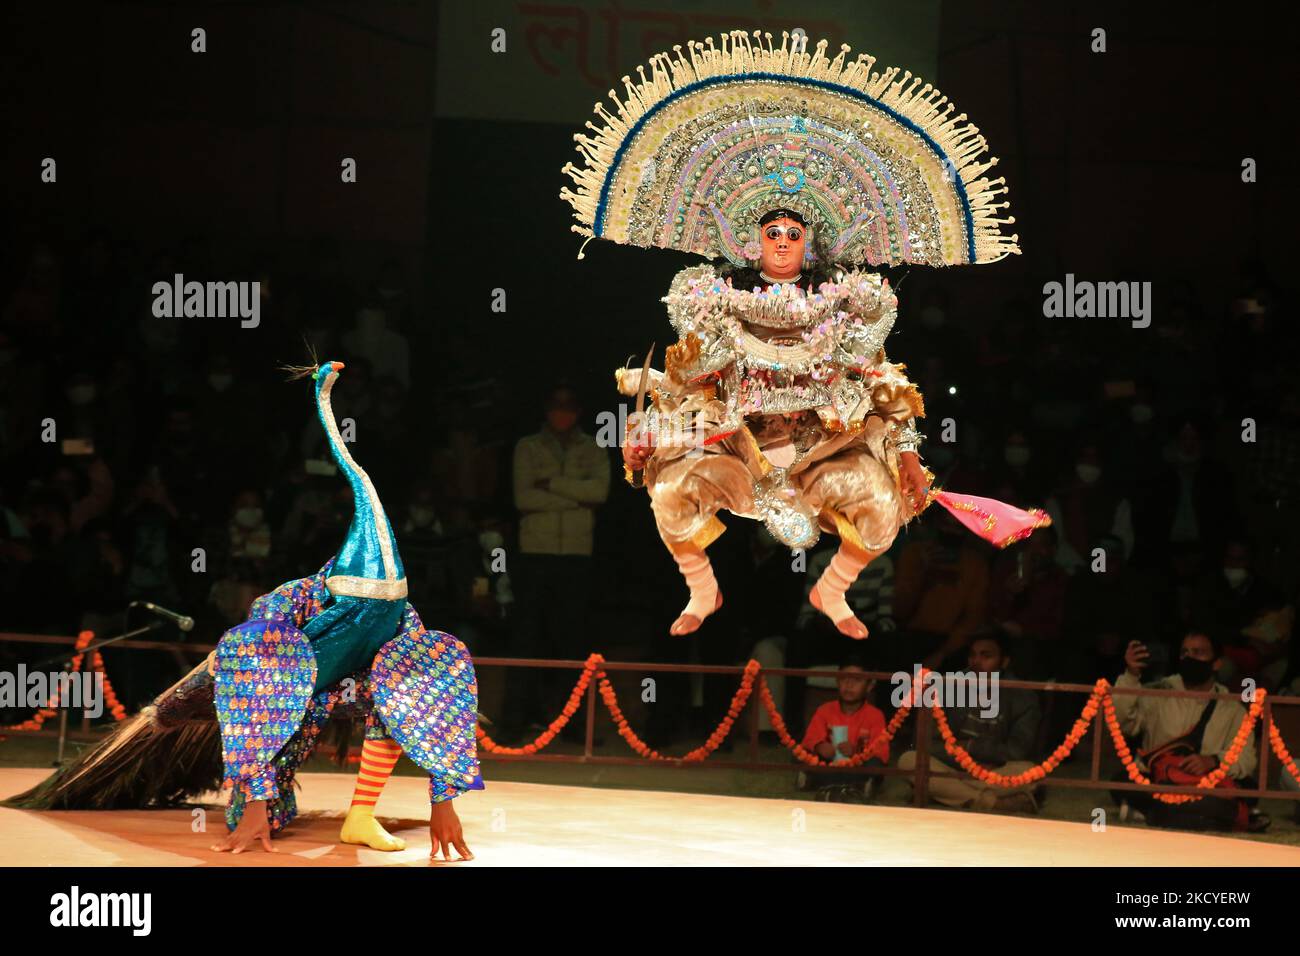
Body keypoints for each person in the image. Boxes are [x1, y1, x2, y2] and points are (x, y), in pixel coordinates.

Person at [563, 30, 1044, 640]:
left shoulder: (844, 303)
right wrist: (653, 438)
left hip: (820, 452)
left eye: (794, 231)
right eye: (774, 231)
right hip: (741, 450)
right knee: (669, 493)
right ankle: (702, 589)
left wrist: (906, 458)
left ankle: (833, 589)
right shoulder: (715, 300)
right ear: (755, 239)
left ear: (808, 240)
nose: (784, 240)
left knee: (884, 510)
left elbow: (882, 387)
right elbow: (690, 384)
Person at [6, 361, 482, 860]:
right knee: (263, 815)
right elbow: (255, 689)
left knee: (401, 688)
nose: (376, 619)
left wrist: (443, 800)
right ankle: (258, 799)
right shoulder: (284, 604)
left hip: (341, 693)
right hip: (277, 703)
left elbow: (427, 700)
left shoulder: (400, 615)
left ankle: (360, 816)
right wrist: (256, 800)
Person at [509, 383, 610, 735]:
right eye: (556, 408)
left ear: (578, 412)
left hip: (577, 556)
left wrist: (550, 482)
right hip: (535, 554)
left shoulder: (594, 447)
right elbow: (523, 499)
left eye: (568, 408)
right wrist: (576, 498)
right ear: (547, 411)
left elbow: (600, 493)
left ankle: (576, 725)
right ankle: (516, 721)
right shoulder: (528, 446)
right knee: (526, 638)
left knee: (574, 640)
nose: (562, 414)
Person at [1110, 631, 1265, 832]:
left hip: (1208, 784)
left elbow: (1246, 759)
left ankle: (1156, 814)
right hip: (1160, 780)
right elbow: (1122, 721)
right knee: (1122, 782)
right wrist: (1131, 676)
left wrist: (1213, 761)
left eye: (1198, 652)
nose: (1189, 658)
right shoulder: (1158, 692)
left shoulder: (1232, 709)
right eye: (1185, 652)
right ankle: (1217, 816)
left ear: (1217, 663)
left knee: (1250, 789)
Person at [897, 631, 1042, 812]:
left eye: (986, 656)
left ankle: (948, 792)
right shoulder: (949, 686)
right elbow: (926, 743)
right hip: (952, 767)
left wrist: (970, 747)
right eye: (972, 655)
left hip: (994, 770)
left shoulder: (1022, 695)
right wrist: (964, 762)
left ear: (1004, 662)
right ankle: (993, 802)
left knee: (1029, 772)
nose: (976, 661)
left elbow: (1017, 751)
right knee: (908, 760)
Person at [799, 657, 889, 802]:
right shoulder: (825, 710)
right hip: (830, 763)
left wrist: (856, 751)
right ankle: (854, 786)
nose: (849, 684)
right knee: (806, 755)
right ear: (837, 681)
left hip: (857, 766)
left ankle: (824, 782)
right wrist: (820, 746)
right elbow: (810, 739)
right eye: (844, 679)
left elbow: (880, 752)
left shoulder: (875, 715)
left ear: (869, 686)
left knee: (875, 765)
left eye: (857, 680)